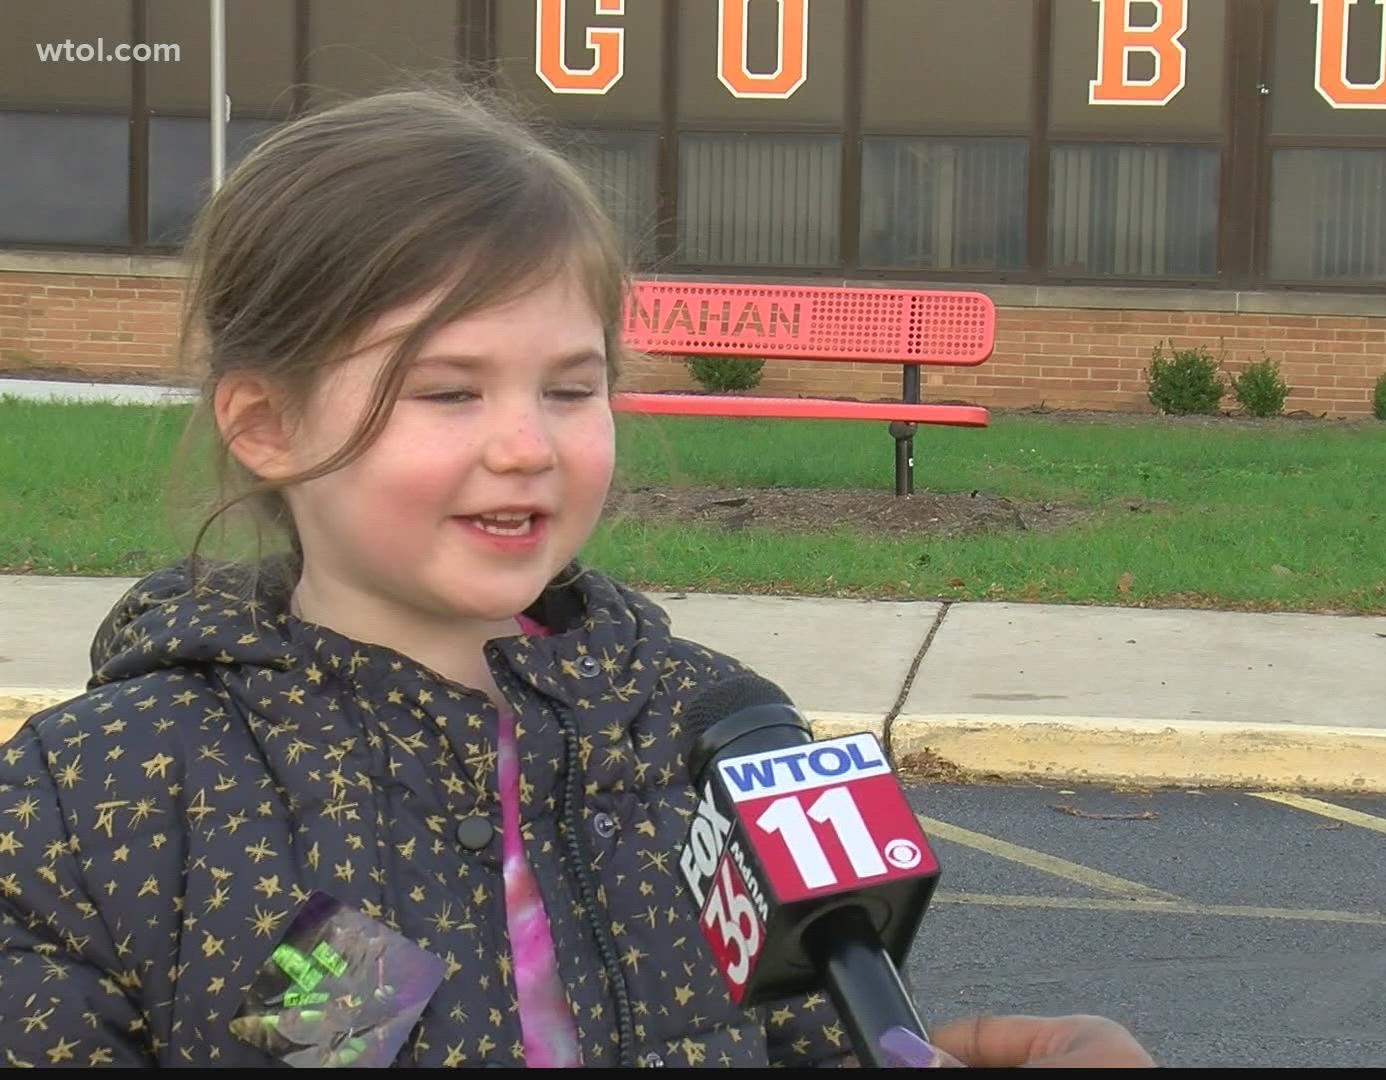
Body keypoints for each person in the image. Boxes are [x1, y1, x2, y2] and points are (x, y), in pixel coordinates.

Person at [0, 84, 1153, 1069]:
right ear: (266, 424)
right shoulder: (116, 794)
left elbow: (808, 1031)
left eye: (569, 387)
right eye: (450, 390)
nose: (527, 445)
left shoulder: (721, 733)